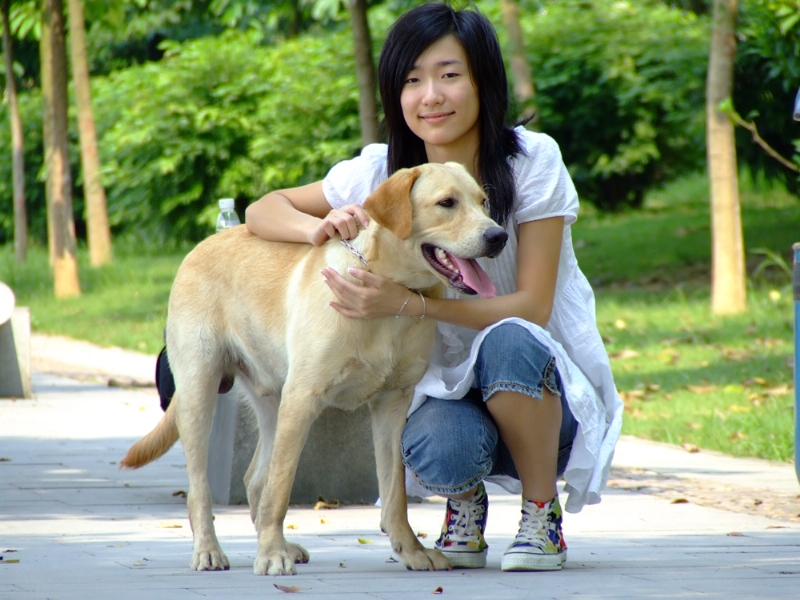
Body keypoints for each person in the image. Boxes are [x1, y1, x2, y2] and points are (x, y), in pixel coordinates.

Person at [245, 3, 622, 572]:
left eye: (449, 75)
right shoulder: (382, 175)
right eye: (412, 80)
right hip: (441, 389)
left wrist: (407, 304)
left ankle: (541, 515)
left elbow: (533, 307)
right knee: (441, 441)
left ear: (482, 82)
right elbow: (261, 208)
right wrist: (314, 227)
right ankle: (462, 508)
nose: (431, 96)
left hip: (537, 392)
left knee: (510, 338)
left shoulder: (533, 162)